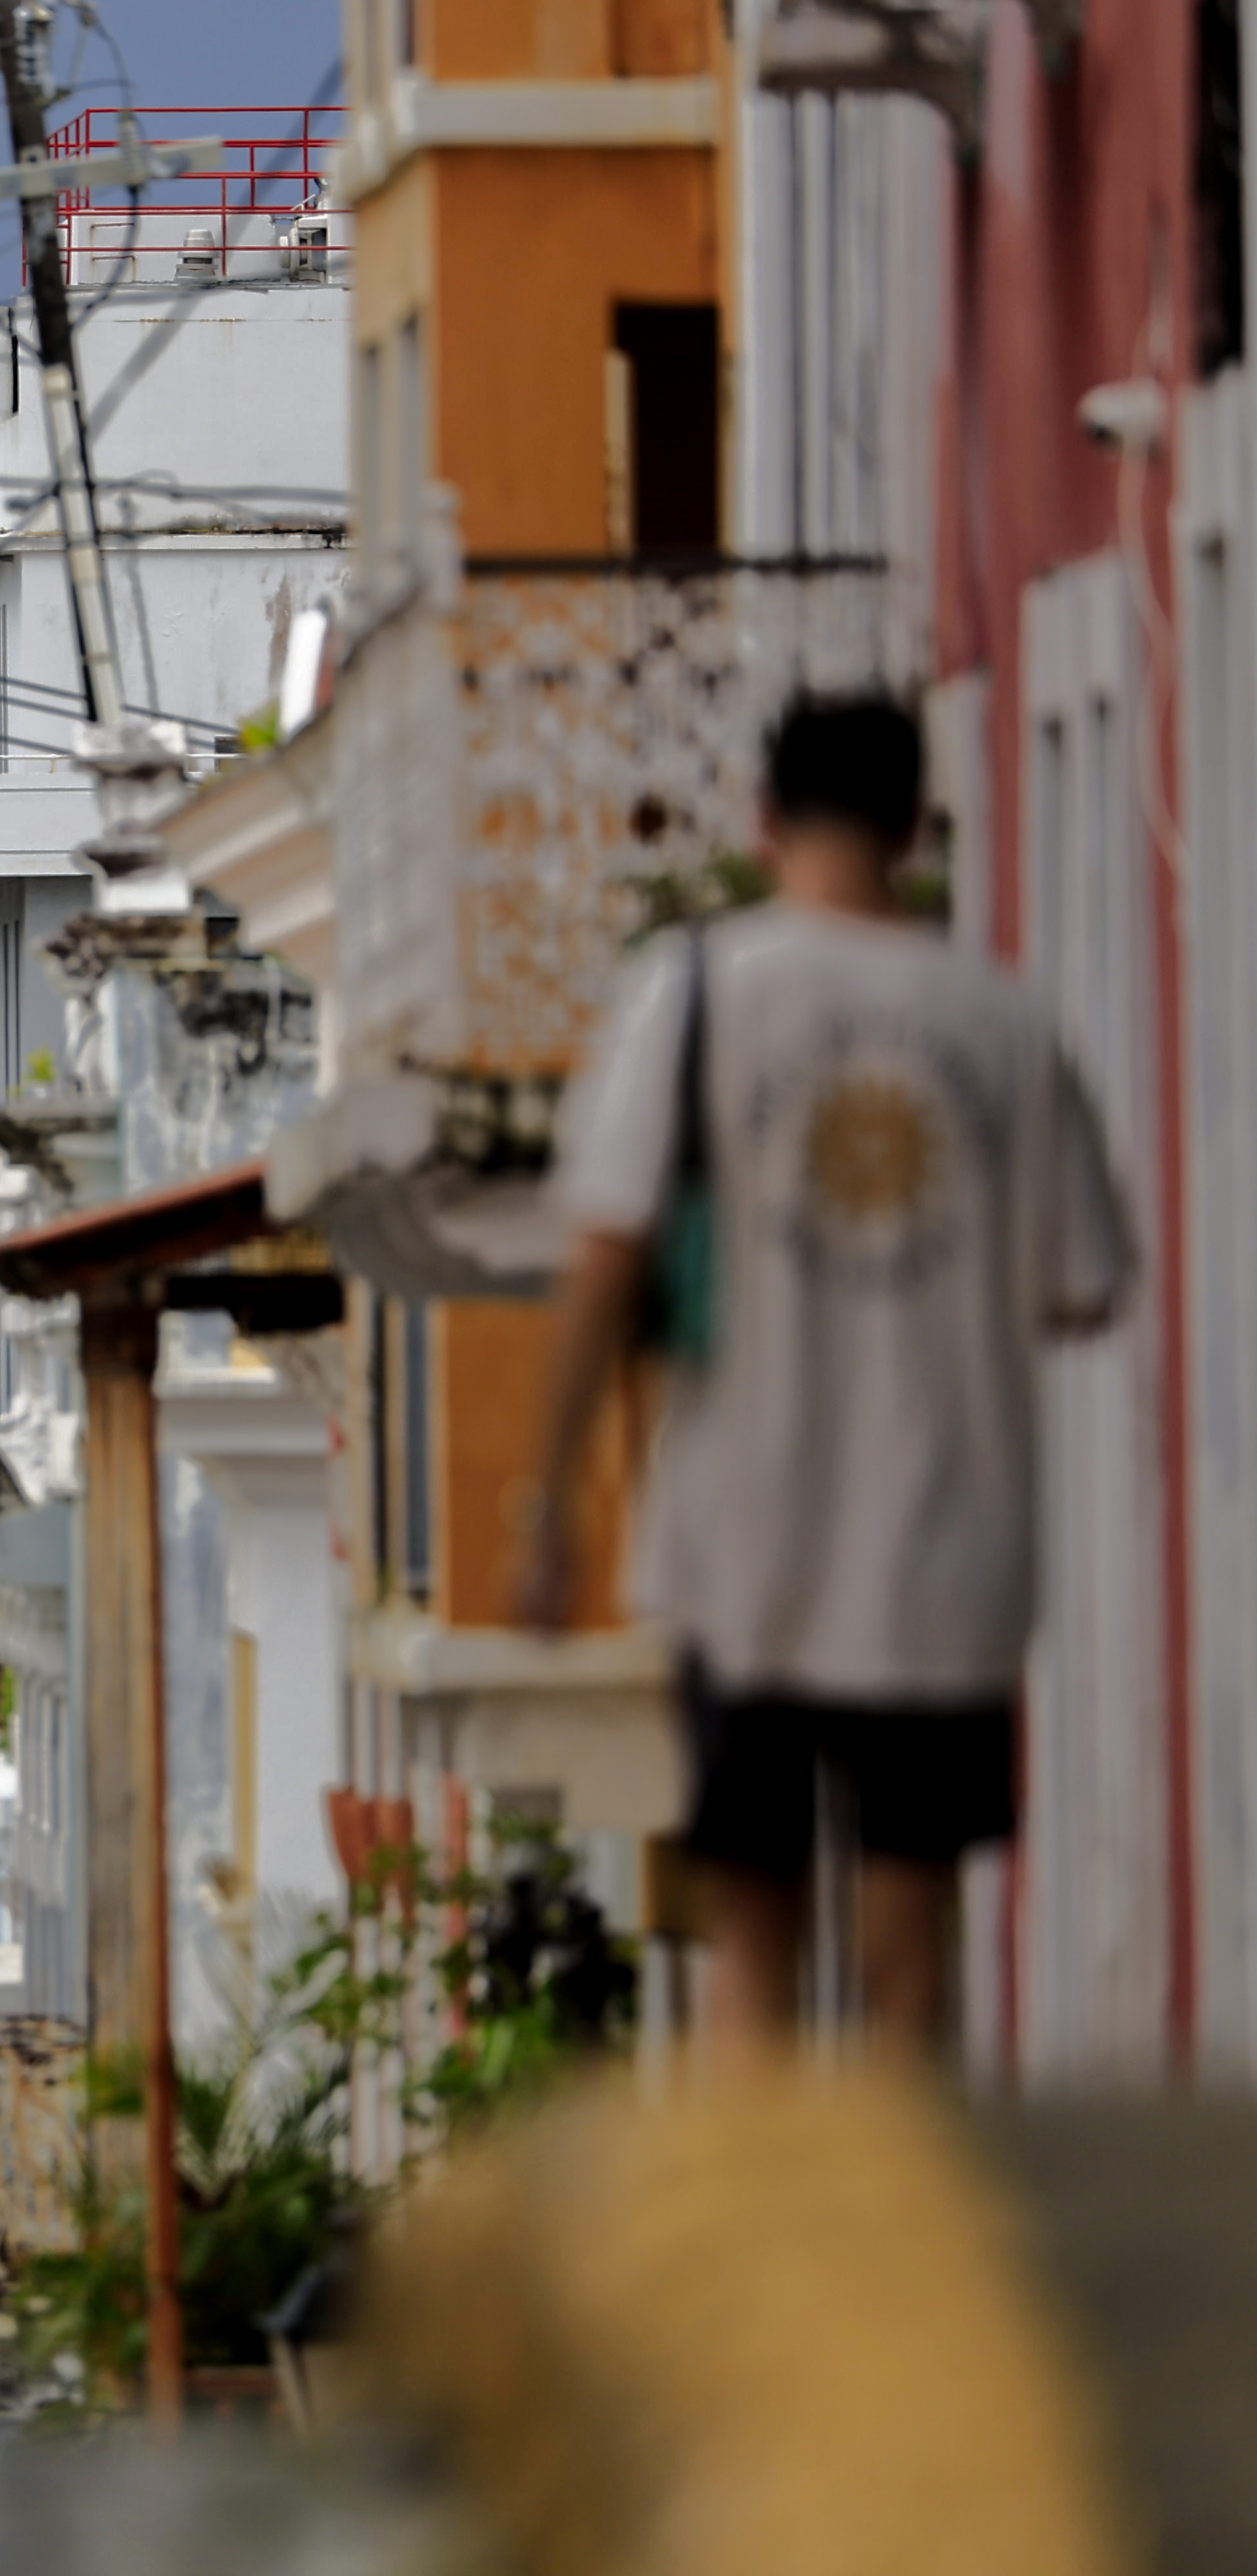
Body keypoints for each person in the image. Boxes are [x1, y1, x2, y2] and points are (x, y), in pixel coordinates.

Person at [515, 693, 1131, 2060]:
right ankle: (898, 2256)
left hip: (752, 1551)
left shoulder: (691, 997)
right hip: (947, 1556)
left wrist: (550, 1507)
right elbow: (1087, 1285)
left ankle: (762, 2258)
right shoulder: (1005, 1024)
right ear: (917, 824)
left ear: (763, 819)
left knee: (753, 1946)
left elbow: (603, 1257)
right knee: (912, 1947)